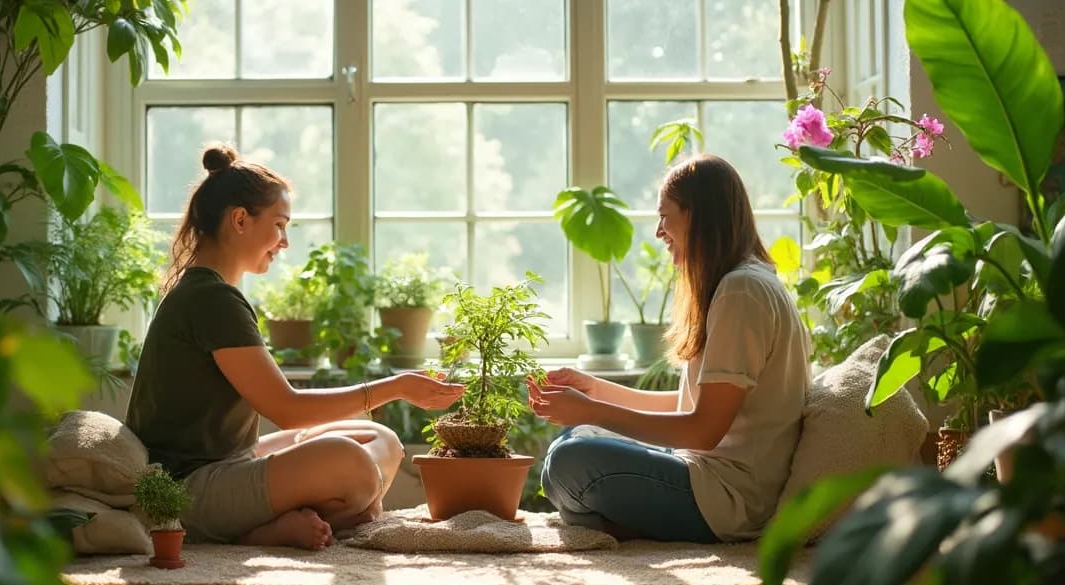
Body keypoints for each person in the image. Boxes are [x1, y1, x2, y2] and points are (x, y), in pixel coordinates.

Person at [126, 145, 464, 550]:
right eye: (279, 225)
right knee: (353, 467)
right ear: (240, 219)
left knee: (382, 442)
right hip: (186, 491)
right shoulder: (212, 299)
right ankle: (259, 531)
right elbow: (288, 411)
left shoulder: (210, 292)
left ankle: (311, 514)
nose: (284, 242)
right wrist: (397, 387)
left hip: (231, 463)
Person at [527, 154, 811, 543]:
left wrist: (593, 409)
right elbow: (689, 407)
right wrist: (594, 390)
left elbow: (703, 431)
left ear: (699, 215)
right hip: (702, 476)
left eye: (665, 216)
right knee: (573, 438)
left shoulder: (742, 292)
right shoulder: (741, 284)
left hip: (726, 500)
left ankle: (618, 525)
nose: (659, 232)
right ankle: (615, 522)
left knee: (569, 462)